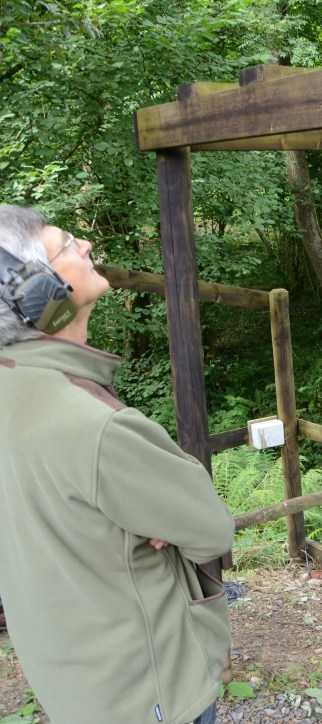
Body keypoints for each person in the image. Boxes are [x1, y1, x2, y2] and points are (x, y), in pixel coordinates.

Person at [0, 205, 235, 724]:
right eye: (67, 244)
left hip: (78, 683)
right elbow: (210, 528)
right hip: (148, 691)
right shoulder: (91, 426)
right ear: (34, 292)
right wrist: (164, 518)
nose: (85, 244)